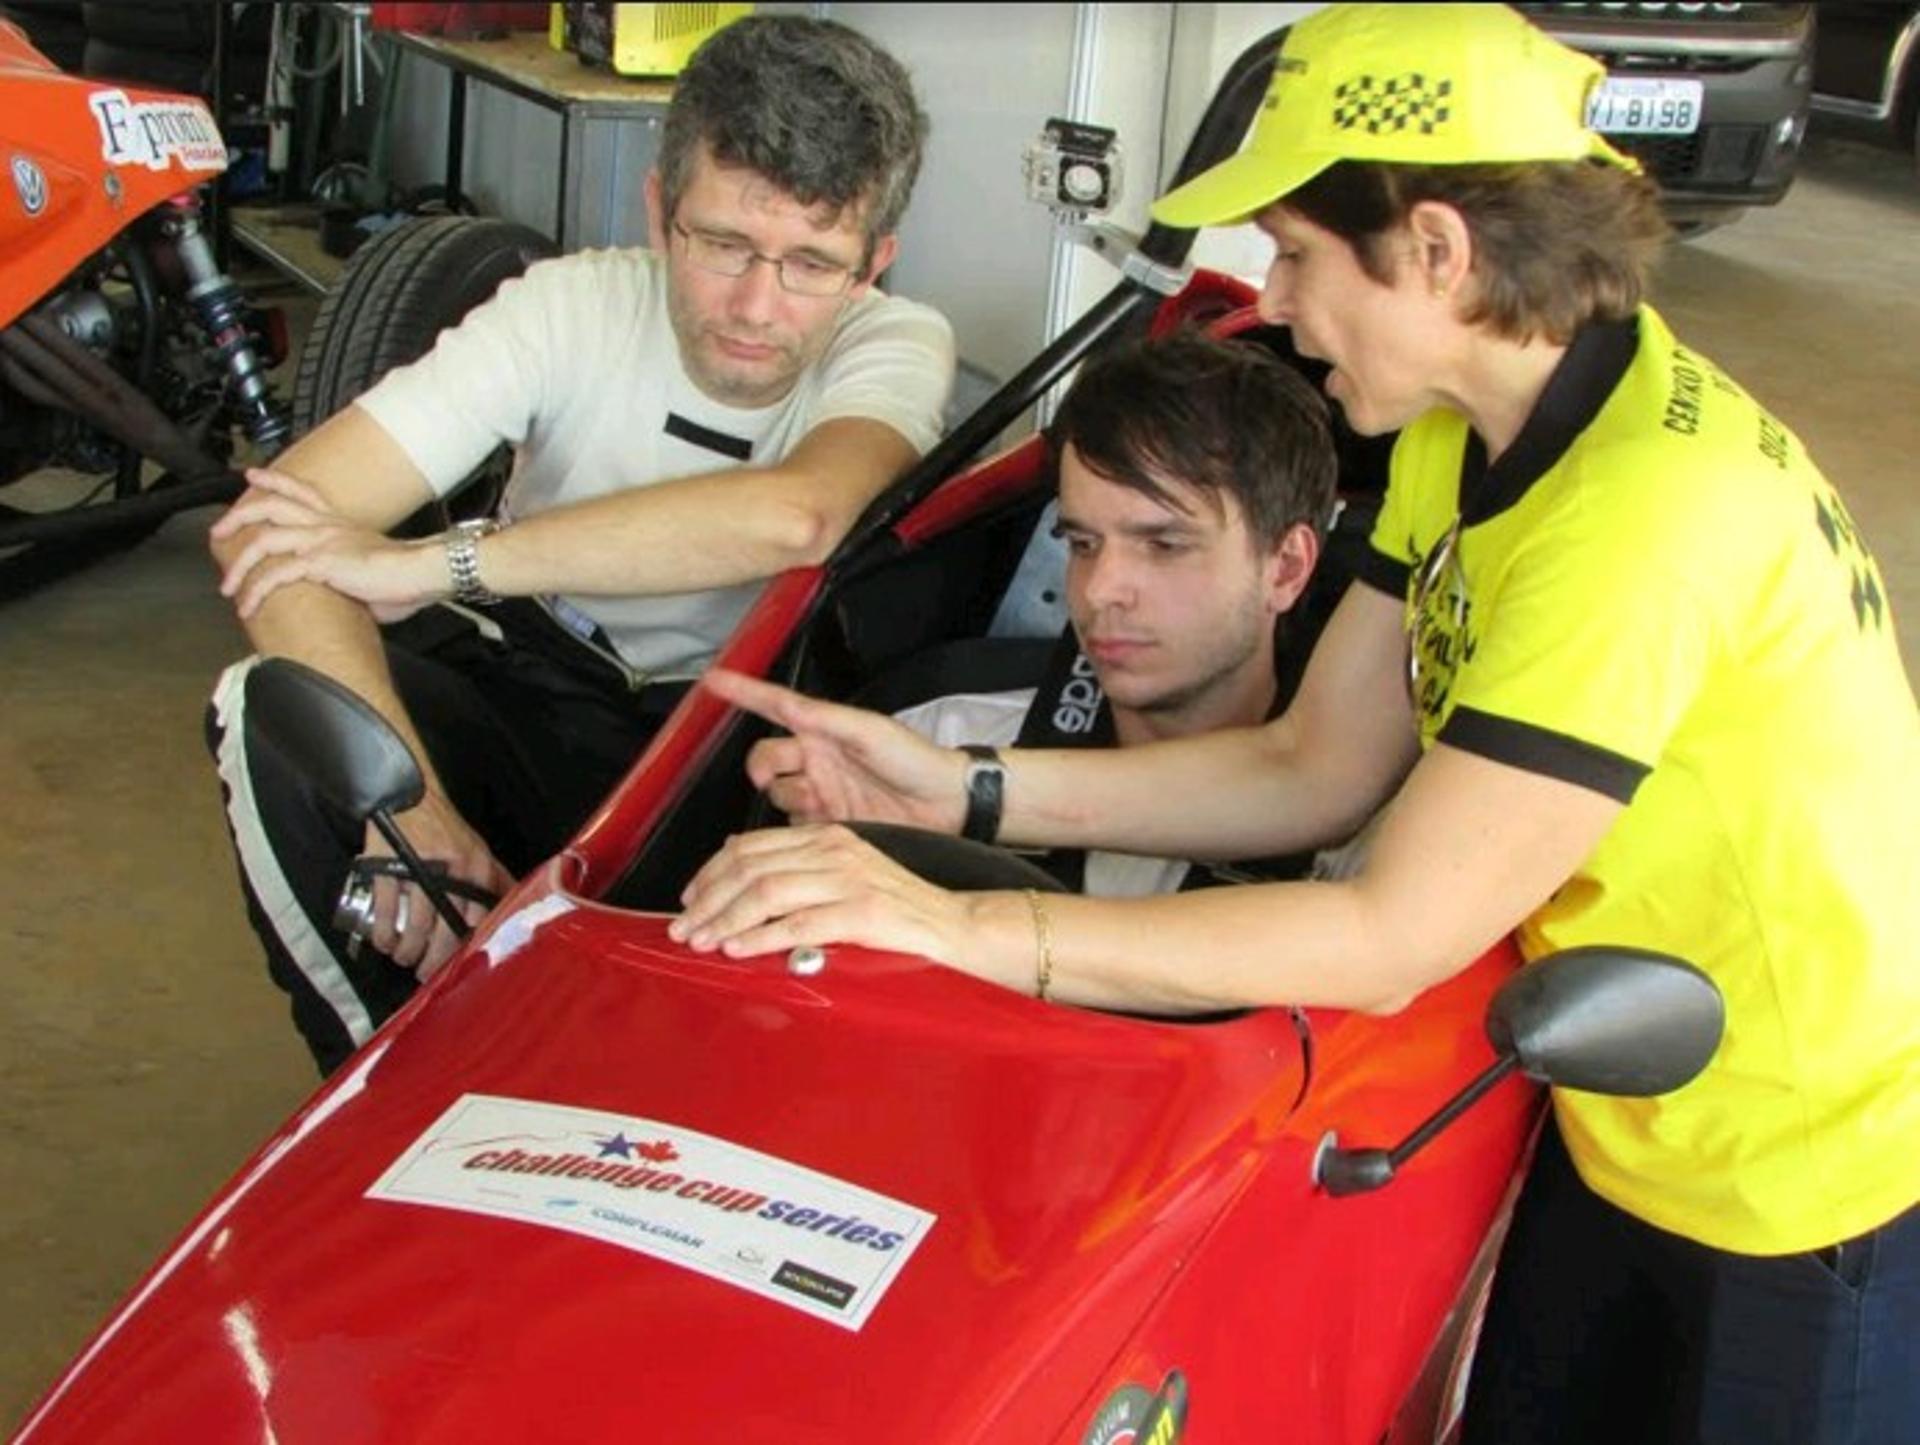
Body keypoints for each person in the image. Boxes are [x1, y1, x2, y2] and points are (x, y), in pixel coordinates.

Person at [672, 6, 1920, 1440]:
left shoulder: (1639, 525)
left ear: (1440, 252)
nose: (1270, 302)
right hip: (1620, 1110)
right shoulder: (1475, 428)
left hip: (1784, 1175)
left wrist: (955, 928)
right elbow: (1315, 766)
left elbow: (1392, 932)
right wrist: (964, 792)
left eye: (1300, 255)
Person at [204, 14, 955, 1074]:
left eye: (810, 264)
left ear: (875, 262)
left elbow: (803, 513)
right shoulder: (568, 307)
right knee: (271, 711)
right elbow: (276, 523)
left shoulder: (896, 342)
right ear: (658, 211)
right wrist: (413, 808)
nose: (755, 304)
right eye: (723, 243)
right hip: (534, 682)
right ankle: (384, 1086)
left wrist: (441, 561)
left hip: (726, 746)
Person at [889, 329, 1338, 896]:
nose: (1100, 590)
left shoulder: (1373, 845)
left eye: (1164, 546)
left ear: (1286, 568)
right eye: (1082, 544)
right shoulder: (939, 741)